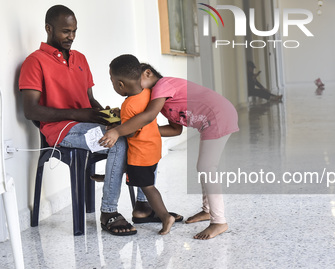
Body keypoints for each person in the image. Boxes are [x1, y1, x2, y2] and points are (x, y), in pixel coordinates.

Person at [18, 5, 152, 236]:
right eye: (65, 31)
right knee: (117, 142)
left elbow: (89, 100)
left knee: (137, 132)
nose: (71, 37)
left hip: (87, 124)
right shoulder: (35, 61)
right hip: (61, 131)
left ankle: (143, 204)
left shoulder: (80, 58)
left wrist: (107, 116)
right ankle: (109, 212)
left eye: (74, 31)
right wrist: (79, 115)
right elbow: (31, 110)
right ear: (49, 28)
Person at [99, 64, 239, 240]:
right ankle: (207, 210)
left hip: (219, 115)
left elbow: (148, 116)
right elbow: (175, 130)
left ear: (148, 73)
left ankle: (219, 221)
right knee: (203, 167)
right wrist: (129, 125)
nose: (136, 87)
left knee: (207, 167)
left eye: (137, 80)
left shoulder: (163, 85)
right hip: (210, 120)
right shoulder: (163, 102)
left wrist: (119, 131)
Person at [108, 54, 182, 235]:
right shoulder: (149, 94)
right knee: (142, 179)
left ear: (120, 85)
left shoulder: (128, 106)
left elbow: (131, 131)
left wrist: (116, 127)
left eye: (112, 81)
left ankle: (165, 216)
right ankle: (107, 179)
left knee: (148, 188)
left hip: (140, 154)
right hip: (153, 149)